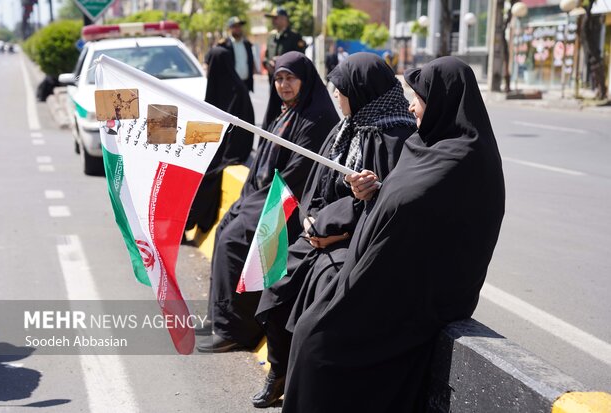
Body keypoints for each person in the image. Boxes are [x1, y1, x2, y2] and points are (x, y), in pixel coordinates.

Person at [283, 56, 506, 412]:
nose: (412, 106)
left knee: (320, 346)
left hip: (420, 292)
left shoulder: (466, 159)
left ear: (443, 100)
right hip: (388, 272)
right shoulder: (427, 146)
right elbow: (402, 200)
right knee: (311, 327)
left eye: (419, 97)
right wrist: (372, 192)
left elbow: (430, 220)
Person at [251, 52, 417, 408]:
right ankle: (278, 371)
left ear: (359, 90)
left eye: (340, 90)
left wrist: (335, 233)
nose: (337, 97)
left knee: (320, 297)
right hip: (321, 234)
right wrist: (311, 221)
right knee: (277, 283)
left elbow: (387, 206)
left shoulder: (395, 137)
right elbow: (316, 187)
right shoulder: (347, 128)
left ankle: (307, 384)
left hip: (355, 243)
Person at [197, 52, 340, 353]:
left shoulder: (315, 118)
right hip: (265, 194)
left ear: (305, 80)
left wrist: (255, 203)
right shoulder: (285, 111)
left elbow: (297, 175)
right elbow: (261, 160)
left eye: (290, 78)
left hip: (291, 203)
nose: (284, 85)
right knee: (225, 228)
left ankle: (236, 329)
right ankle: (219, 317)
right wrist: (246, 198)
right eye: (278, 78)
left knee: (235, 241)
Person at [184, 46, 255, 235]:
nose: (207, 71)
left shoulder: (238, 91)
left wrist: (224, 155)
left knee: (207, 176)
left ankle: (190, 223)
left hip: (231, 150)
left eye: (209, 66)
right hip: (216, 146)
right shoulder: (215, 88)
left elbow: (242, 131)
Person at [263, 7, 306, 83]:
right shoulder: (271, 37)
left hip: (289, 82)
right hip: (273, 80)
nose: (273, 21)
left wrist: (283, 61)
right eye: (272, 18)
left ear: (284, 19)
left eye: (275, 18)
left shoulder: (294, 37)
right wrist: (268, 63)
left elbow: (301, 58)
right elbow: (266, 57)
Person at [216, 16, 256, 92]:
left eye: (239, 26)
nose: (238, 28)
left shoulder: (247, 44)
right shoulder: (224, 45)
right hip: (231, 85)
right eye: (235, 26)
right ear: (229, 29)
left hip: (245, 83)